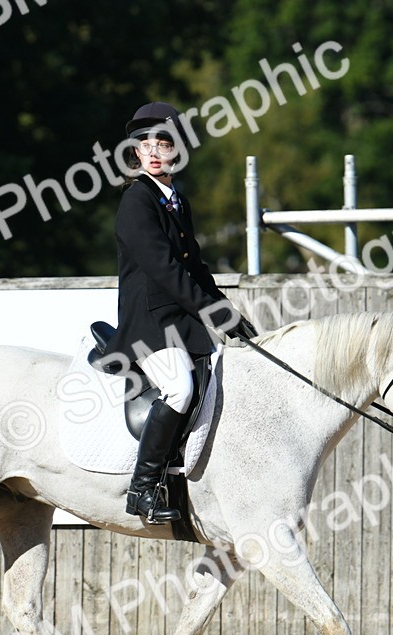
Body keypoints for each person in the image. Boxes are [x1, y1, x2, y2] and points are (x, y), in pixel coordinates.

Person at [104, 101, 257, 524]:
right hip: (148, 324)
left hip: (177, 322)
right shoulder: (137, 201)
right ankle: (142, 488)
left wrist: (230, 313)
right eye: (144, 144)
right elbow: (167, 271)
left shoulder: (176, 201)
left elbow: (195, 267)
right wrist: (212, 312)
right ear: (134, 153)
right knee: (180, 388)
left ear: (178, 151)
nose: (153, 151)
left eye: (164, 143)